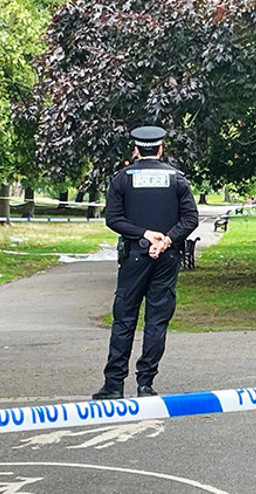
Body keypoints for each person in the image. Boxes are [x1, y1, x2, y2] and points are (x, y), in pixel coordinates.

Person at [92, 125, 199, 400]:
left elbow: (113, 219)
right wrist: (166, 240)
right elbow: (190, 219)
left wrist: (143, 234)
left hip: (133, 257)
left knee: (124, 319)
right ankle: (146, 383)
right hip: (167, 257)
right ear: (161, 150)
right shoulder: (177, 179)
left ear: (136, 150)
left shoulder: (122, 179)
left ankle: (113, 385)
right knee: (156, 321)